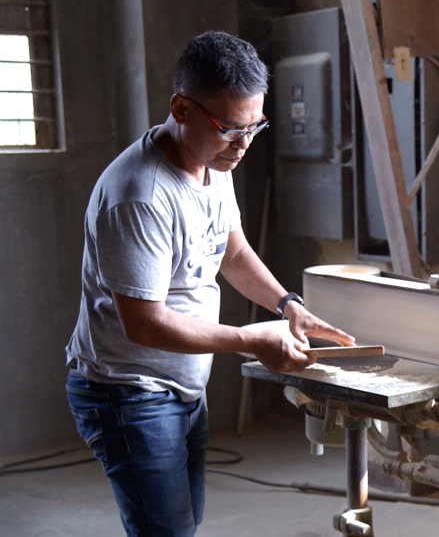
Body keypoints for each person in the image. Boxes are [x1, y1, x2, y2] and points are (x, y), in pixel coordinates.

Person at [64, 31, 354, 537]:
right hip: (128, 391)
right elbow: (144, 325)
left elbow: (232, 252)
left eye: (254, 126)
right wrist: (250, 339)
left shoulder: (213, 160)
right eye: (230, 129)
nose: (243, 145)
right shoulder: (141, 196)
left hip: (181, 385)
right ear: (181, 109)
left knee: (183, 523)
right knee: (167, 531)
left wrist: (287, 305)